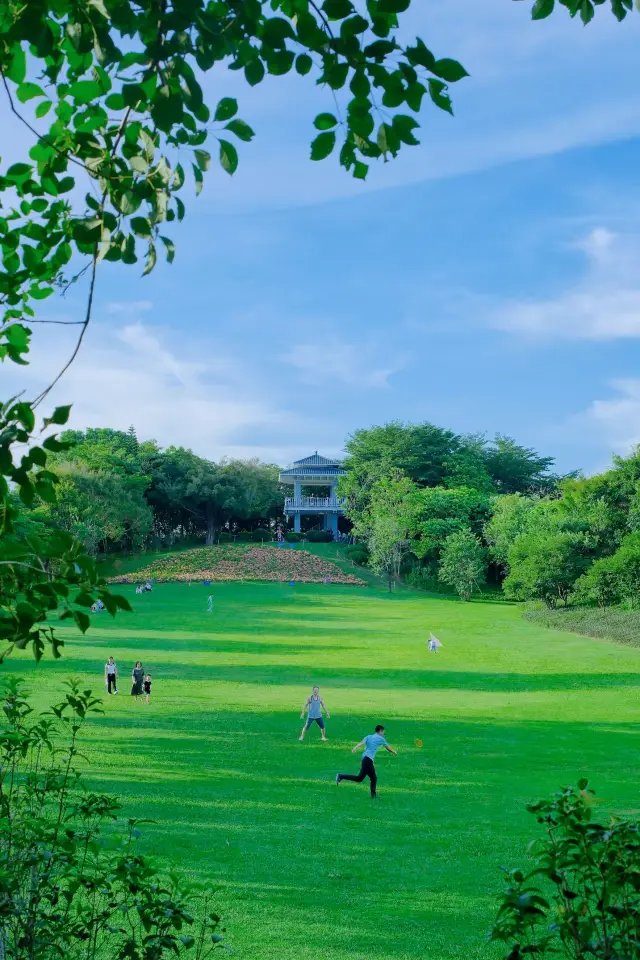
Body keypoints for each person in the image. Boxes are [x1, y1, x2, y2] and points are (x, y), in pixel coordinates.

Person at [336, 724, 397, 799]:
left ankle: (341, 776)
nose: (383, 733)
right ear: (380, 731)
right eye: (383, 732)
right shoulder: (381, 739)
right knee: (372, 778)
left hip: (365, 759)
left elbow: (361, 743)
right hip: (367, 760)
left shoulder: (369, 736)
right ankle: (340, 776)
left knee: (362, 778)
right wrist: (394, 751)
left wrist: (355, 748)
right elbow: (388, 748)